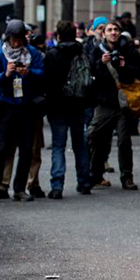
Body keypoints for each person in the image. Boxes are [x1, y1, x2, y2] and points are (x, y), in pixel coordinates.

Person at [0, 20, 45, 202]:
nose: (17, 43)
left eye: (20, 40)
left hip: (26, 106)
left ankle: (19, 189)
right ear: (8, 38)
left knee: (26, 150)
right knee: (1, 149)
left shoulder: (33, 53)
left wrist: (29, 73)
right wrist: (6, 74)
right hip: (7, 105)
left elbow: (42, 75)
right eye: (14, 39)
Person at [87, 19, 140, 190]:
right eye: (109, 30)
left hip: (123, 103)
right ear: (104, 34)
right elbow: (91, 73)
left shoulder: (129, 50)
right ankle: (95, 174)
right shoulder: (98, 51)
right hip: (104, 103)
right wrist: (101, 63)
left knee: (124, 141)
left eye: (116, 30)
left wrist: (124, 66)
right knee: (95, 136)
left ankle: (127, 177)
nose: (113, 32)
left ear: (119, 33)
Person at [44, 21, 93, 199]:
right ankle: (84, 181)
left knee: (58, 146)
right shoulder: (81, 51)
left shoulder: (53, 55)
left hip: (58, 107)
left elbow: (48, 83)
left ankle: (57, 185)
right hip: (78, 105)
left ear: (58, 35)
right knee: (79, 144)